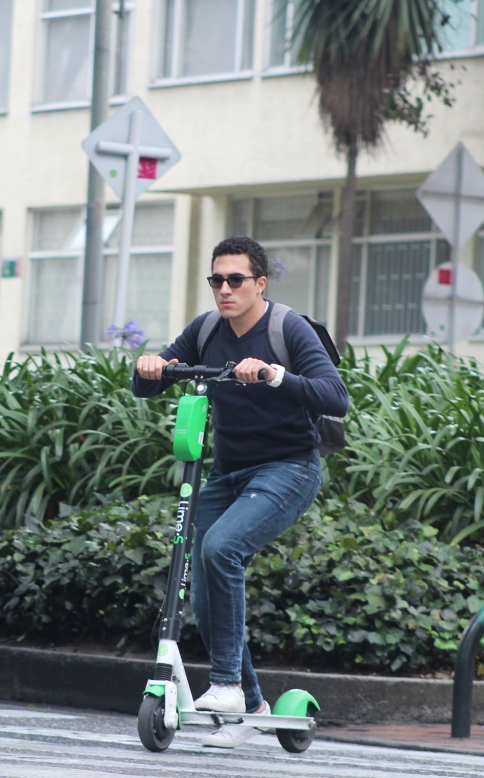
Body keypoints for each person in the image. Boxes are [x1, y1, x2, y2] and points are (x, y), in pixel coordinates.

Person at [131, 236, 349, 749]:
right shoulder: (207, 330)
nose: (225, 290)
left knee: (221, 548)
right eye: (217, 281)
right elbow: (151, 383)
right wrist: (149, 367)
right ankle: (250, 705)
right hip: (228, 474)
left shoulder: (287, 328)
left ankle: (226, 685)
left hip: (288, 470)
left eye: (236, 280)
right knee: (204, 589)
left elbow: (334, 395)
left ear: (260, 283)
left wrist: (275, 375)